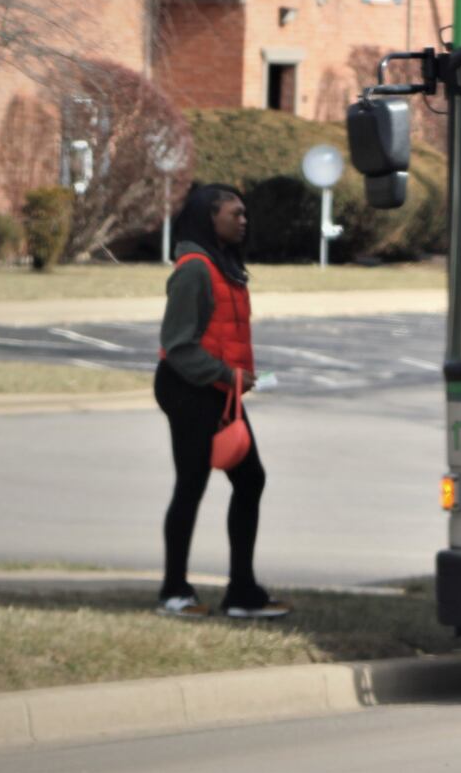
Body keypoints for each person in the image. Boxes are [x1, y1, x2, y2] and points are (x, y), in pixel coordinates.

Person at [155, 183, 289, 619]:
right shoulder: (194, 268)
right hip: (188, 387)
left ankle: (243, 593)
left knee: (250, 480)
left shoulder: (222, 265)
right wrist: (225, 374)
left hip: (218, 388)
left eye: (245, 213)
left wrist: (237, 376)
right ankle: (174, 593)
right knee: (191, 486)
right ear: (210, 217)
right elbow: (178, 346)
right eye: (236, 213)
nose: (244, 220)